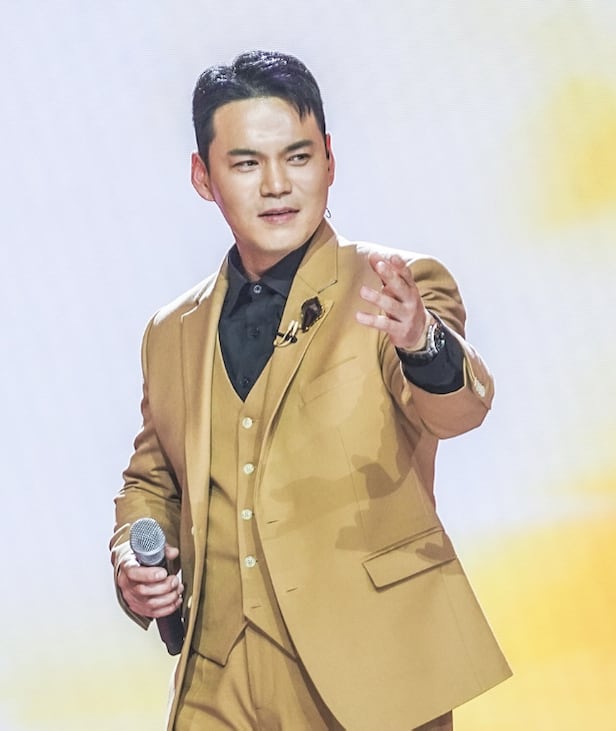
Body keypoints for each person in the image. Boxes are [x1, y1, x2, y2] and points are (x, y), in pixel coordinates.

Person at [110, 50, 511, 731]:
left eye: (297, 157)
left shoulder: (397, 284)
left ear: (329, 160)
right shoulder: (171, 329)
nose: (277, 185)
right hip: (216, 680)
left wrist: (422, 340)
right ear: (203, 177)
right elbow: (153, 480)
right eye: (246, 163)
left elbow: (458, 409)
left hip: (371, 672)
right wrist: (132, 554)